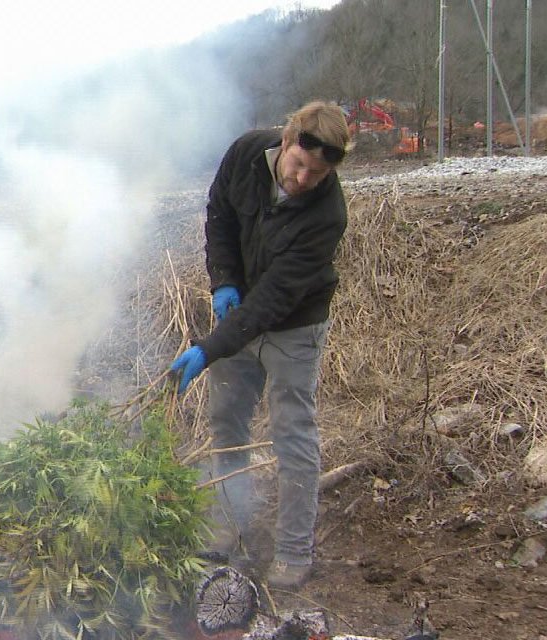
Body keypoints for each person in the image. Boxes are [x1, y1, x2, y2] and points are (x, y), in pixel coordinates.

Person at [169, 101, 352, 590]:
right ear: (287, 140)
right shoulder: (247, 154)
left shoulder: (327, 215)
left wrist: (208, 349)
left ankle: (294, 550)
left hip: (293, 327)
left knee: (292, 435)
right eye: (299, 164)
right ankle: (225, 526)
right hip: (238, 313)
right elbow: (220, 217)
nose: (303, 179)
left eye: (318, 173)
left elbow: (273, 301)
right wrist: (223, 280)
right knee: (226, 420)